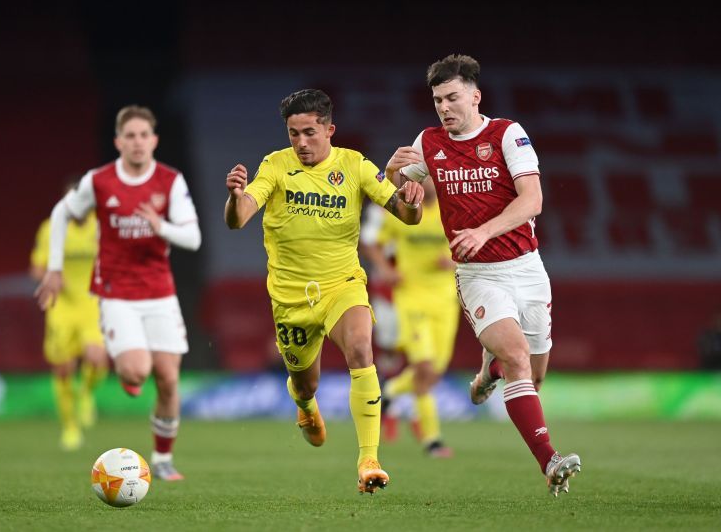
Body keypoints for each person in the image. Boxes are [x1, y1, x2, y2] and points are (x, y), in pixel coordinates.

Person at [385, 54, 581, 496]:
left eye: (452, 97)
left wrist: (485, 229)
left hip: (527, 268)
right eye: (437, 101)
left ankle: (488, 370)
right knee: (518, 360)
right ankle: (549, 462)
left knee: (533, 372)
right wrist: (396, 173)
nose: (444, 108)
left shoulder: (508, 133)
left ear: (475, 96)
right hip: (477, 274)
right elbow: (399, 200)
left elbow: (532, 200)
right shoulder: (429, 142)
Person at [224, 89, 424, 494]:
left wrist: (412, 199)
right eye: (293, 133)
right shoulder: (275, 166)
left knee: (360, 350)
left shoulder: (354, 165)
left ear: (329, 130)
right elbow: (238, 218)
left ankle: (369, 459)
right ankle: (304, 406)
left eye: (309, 133)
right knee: (305, 383)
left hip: (342, 285)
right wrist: (234, 198)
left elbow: (406, 215)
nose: (300, 142)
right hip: (291, 299)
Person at [35, 105, 201, 481]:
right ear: (118, 141)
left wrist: (161, 227)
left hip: (159, 292)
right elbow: (62, 213)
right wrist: (55, 269)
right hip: (116, 293)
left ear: (154, 140)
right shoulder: (99, 180)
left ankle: (162, 459)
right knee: (137, 370)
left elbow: (192, 237)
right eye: (131, 136)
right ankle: (129, 371)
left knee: (170, 379)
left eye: (145, 135)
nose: (138, 142)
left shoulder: (170, 181)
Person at [359, 176, 460, 458]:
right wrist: (385, 269)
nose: (425, 186)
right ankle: (433, 440)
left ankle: (390, 390)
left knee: (434, 373)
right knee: (425, 369)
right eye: (420, 180)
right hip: (411, 299)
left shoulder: (452, 209)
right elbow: (371, 243)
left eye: (429, 179)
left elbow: (473, 246)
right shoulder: (403, 213)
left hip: (445, 300)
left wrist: (455, 260)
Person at [30, 188, 108, 451]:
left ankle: (85, 393)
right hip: (61, 306)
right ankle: (70, 427)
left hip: (92, 303)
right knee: (63, 369)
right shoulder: (51, 227)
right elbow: (37, 268)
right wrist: (49, 277)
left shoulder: (102, 226)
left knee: (97, 358)